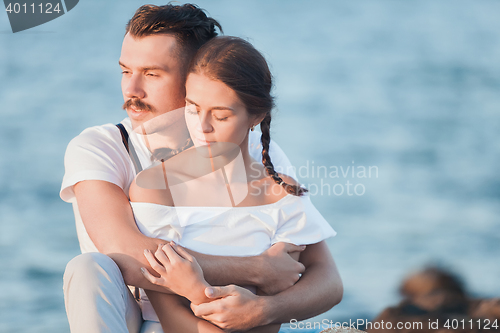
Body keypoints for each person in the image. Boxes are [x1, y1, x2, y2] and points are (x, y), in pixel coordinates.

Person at [60, 3, 343, 333]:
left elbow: (325, 278)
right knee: (88, 267)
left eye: (151, 74)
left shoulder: (256, 152)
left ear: (193, 75)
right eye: (125, 71)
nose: (131, 90)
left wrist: (265, 309)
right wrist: (258, 269)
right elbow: (126, 254)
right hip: (134, 313)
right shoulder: (102, 146)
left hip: (233, 319)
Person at [128, 36, 339, 333]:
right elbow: (170, 316)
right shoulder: (156, 188)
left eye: (221, 114)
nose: (202, 126)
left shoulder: (279, 193)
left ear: (256, 116)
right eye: (192, 107)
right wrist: (197, 290)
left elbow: (329, 284)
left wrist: (263, 309)